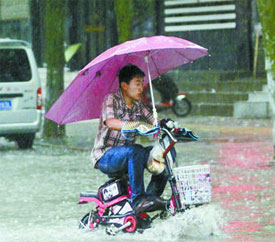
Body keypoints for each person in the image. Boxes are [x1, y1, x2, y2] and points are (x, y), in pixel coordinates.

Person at [91, 64, 169, 212]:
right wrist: (134, 125)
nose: (141, 88)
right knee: (135, 151)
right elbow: (111, 122)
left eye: (142, 84)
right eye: (137, 84)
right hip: (106, 156)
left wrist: (166, 125)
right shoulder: (111, 99)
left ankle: (150, 198)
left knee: (163, 154)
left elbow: (153, 121)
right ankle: (138, 200)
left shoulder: (138, 105)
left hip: (130, 154)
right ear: (125, 86)